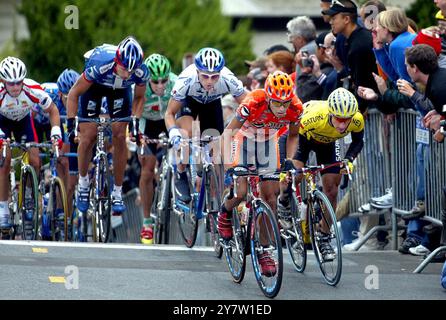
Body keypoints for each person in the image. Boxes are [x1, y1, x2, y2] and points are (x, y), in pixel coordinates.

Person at [218, 71, 303, 276]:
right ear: (267, 97)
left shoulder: (296, 107)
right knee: (240, 191)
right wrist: (230, 167)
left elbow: (293, 136)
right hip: (244, 140)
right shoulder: (253, 101)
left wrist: (290, 160)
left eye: (285, 103)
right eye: (277, 103)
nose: (282, 108)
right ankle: (225, 213)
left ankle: (264, 250)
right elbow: (228, 133)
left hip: (268, 143)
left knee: (271, 199)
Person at [278, 87, 364, 261]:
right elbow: (286, 138)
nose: (342, 125)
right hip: (305, 139)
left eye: (346, 120)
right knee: (294, 175)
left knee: (332, 189)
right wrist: (286, 166)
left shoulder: (356, 119)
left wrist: (349, 159)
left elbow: (357, 142)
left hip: (331, 143)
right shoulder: (313, 117)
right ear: (331, 113)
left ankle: (324, 236)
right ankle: (284, 200)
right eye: (339, 119)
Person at [66, 36, 149, 215]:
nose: (128, 74)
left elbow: (140, 97)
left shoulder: (141, 71)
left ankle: (117, 192)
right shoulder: (99, 64)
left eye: (132, 70)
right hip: (94, 87)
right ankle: (83, 183)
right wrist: (71, 123)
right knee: (88, 136)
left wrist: (134, 122)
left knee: (120, 135)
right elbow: (73, 93)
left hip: (120, 91)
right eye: (124, 68)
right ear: (117, 61)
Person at [164, 47, 247, 204]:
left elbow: (249, 104)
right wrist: (174, 132)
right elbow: (169, 113)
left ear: (220, 73)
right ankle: (181, 172)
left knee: (217, 147)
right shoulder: (185, 80)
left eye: (214, 77)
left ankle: (213, 189)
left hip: (211, 104)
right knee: (187, 133)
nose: (210, 81)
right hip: (189, 102)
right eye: (205, 76)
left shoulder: (228, 78)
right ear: (197, 71)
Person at [0, 57, 62, 231]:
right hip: (2, 122)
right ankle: (3, 208)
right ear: (3, 81)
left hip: (23, 123)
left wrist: (55, 132)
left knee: (35, 161)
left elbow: (53, 110)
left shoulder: (32, 89)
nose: (15, 87)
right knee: (4, 160)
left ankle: (28, 193)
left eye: (18, 82)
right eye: (11, 83)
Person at [135, 53, 177, 244]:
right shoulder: (139, 86)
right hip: (146, 124)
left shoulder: (176, 83)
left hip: (168, 121)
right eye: (155, 81)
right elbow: (132, 114)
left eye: (164, 80)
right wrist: (137, 136)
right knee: (146, 169)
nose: (160, 85)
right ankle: (147, 222)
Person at [322, 0, 378, 113]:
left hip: (372, 107)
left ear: (346, 19)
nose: (330, 22)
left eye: (334, 18)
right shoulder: (354, 39)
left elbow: (362, 85)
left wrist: (357, 112)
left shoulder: (359, 45)